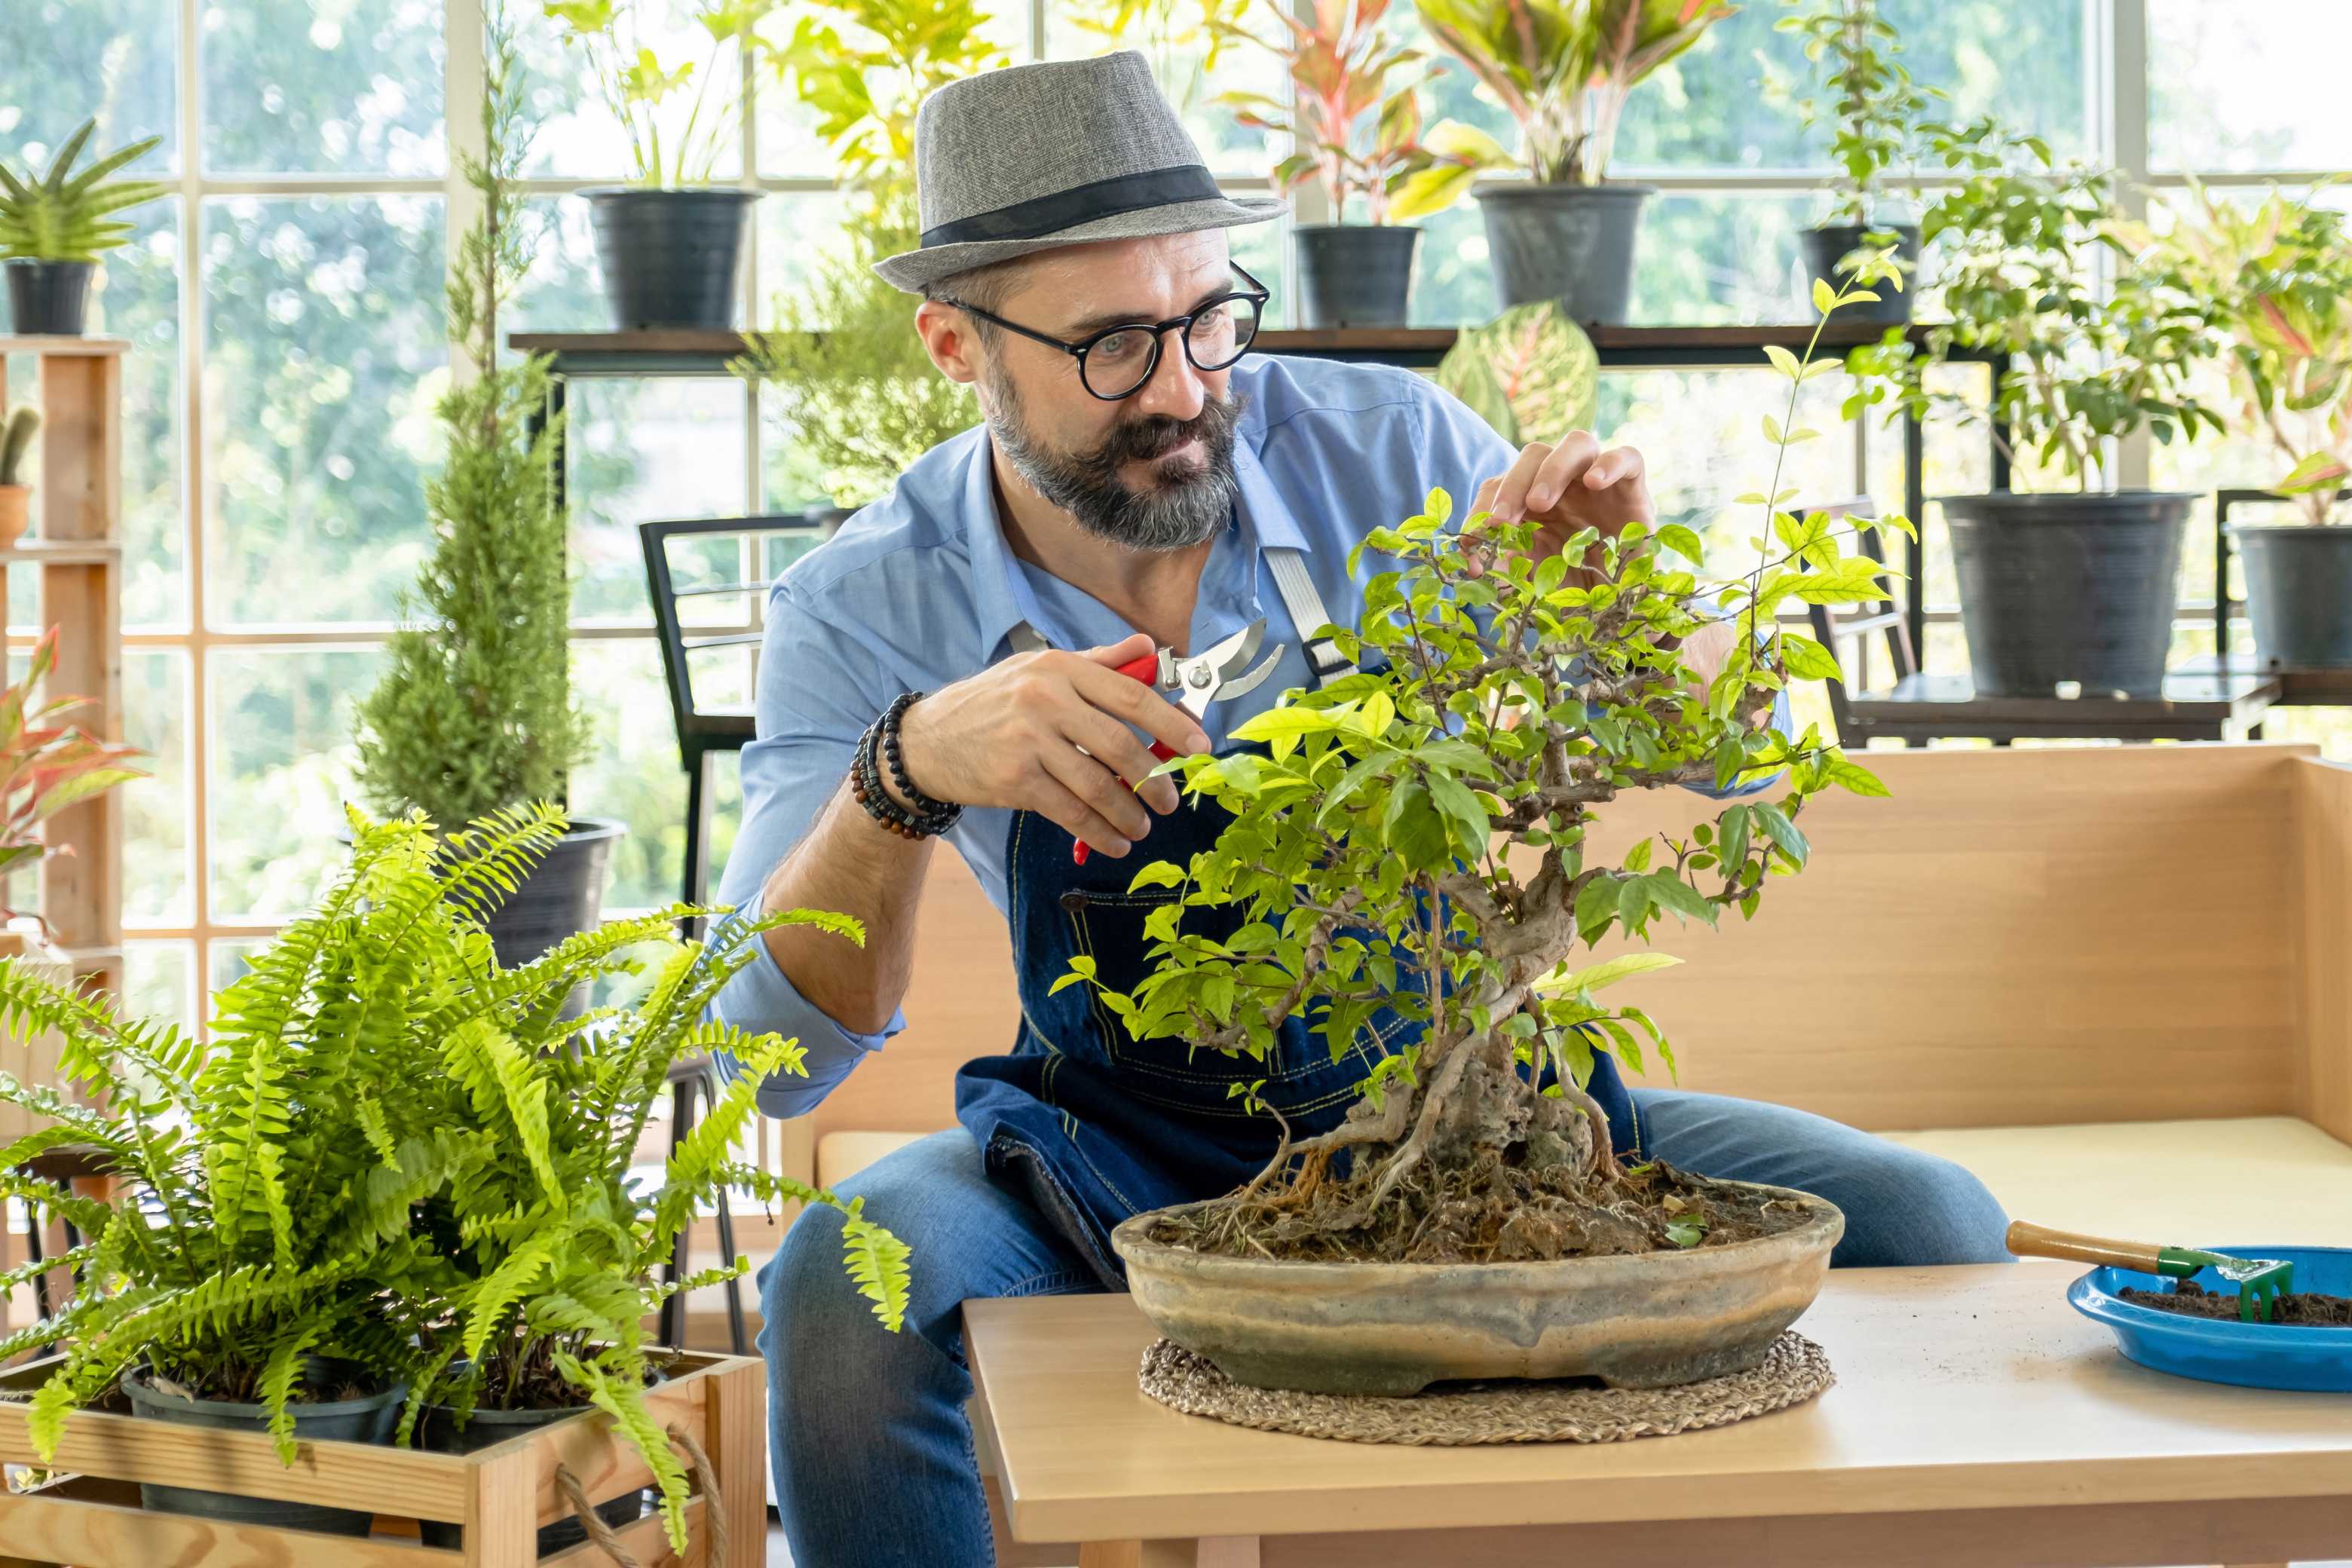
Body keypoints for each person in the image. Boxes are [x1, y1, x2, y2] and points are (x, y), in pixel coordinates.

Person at [712, 50, 2011, 1568]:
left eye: (1208, 316)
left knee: (1933, 1221)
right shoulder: (867, 602)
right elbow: (768, 1057)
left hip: (1469, 1102)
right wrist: (904, 770)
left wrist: (1625, 610)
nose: (1187, 390)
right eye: (1116, 346)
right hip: (1105, 1149)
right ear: (956, 343)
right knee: (841, 1287)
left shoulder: (1390, 454)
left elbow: (1762, 753)